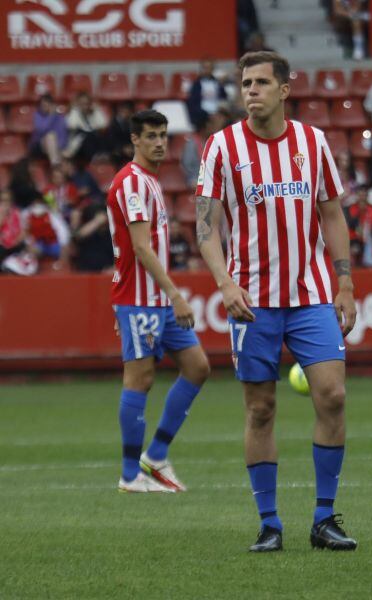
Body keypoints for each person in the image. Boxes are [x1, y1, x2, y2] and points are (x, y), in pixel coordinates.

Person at [195, 51, 358, 553]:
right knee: (260, 409)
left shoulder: (313, 143)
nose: (251, 91)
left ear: (285, 89)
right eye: (246, 83)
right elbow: (206, 224)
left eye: (262, 82)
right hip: (252, 301)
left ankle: (325, 519)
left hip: (310, 294)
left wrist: (345, 282)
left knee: (332, 395)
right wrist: (224, 282)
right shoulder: (221, 147)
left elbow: (331, 214)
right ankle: (269, 523)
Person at [106, 109, 210, 494]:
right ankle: (130, 475)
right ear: (134, 140)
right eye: (150, 135)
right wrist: (176, 294)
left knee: (197, 367)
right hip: (140, 298)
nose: (159, 142)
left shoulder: (150, 181)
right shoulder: (132, 183)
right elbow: (140, 249)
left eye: (163, 135)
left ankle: (156, 457)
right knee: (140, 380)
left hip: (153, 301)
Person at [64, 92, 108, 163]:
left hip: (94, 141)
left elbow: (103, 124)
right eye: (82, 104)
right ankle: (95, 157)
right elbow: (71, 125)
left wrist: (96, 110)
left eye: (87, 104)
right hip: (78, 146)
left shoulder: (94, 112)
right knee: (87, 136)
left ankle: (101, 155)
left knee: (100, 136)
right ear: (78, 104)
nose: (85, 106)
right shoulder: (75, 113)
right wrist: (74, 110)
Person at [187, 59, 227, 130]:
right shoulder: (196, 84)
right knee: (216, 121)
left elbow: (224, 98)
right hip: (202, 113)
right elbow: (193, 104)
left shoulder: (217, 83)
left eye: (209, 68)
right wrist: (207, 114)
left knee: (222, 119)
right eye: (205, 68)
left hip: (217, 111)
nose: (207, 70)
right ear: (201, 69)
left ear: (212, 69)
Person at [30, 95, 67, 166]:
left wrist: (60, 147)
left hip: (56, 146)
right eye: (43, 105)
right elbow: (41, 130)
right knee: (50, 136)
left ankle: (59, 169)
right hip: (39, 146)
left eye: (47, 105)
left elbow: (63, 134)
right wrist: (51, 116)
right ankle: (55, 165)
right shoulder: (37, 115)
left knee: (65, 153)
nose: (45, 107)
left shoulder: (59, 117)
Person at [345, 185, 372, 263]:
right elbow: (350, 224)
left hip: (369, 239)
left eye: (364, 195)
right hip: (353, 239)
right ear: (357, 196)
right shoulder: (350, 208)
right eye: (360, 195)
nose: (362, 198)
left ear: (367, 196)